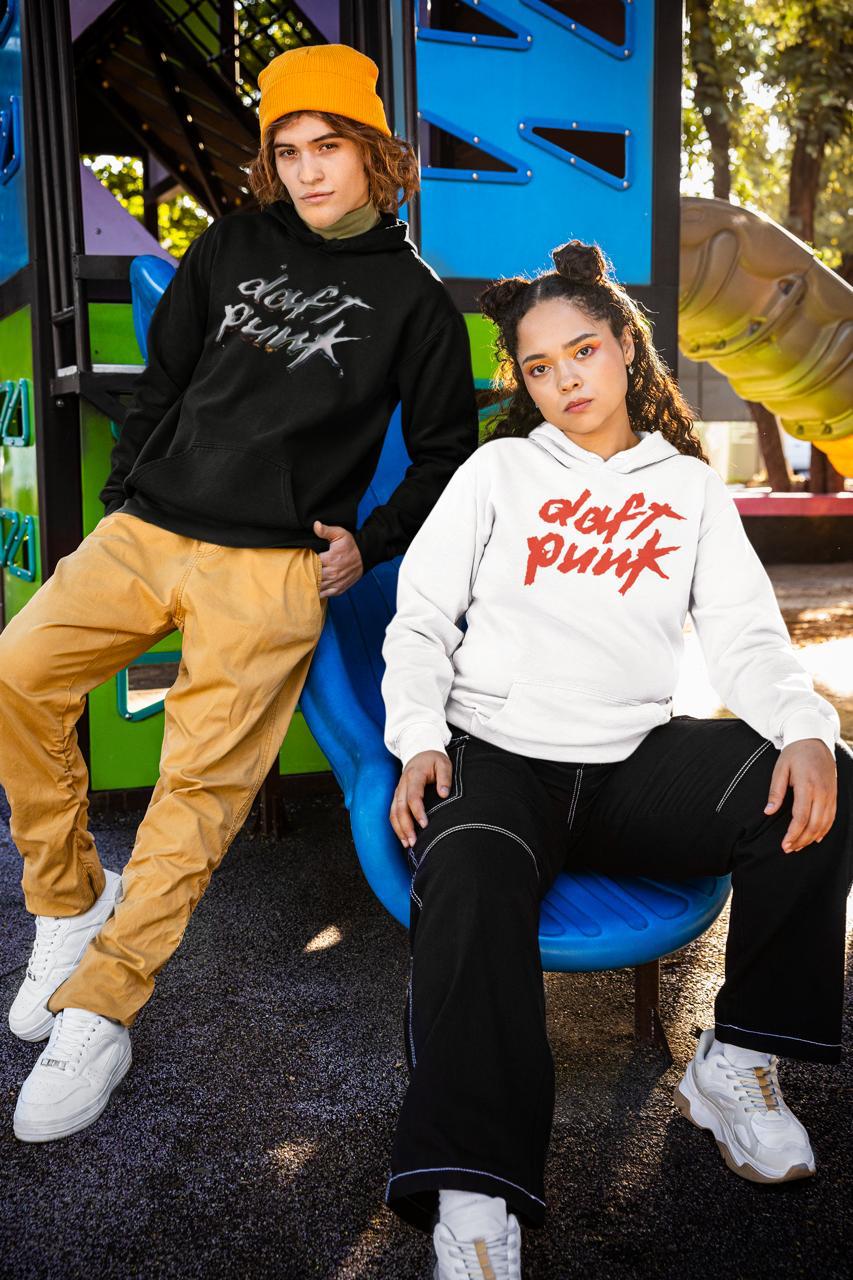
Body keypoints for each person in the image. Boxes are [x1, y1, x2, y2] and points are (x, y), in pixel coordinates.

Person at [0, 42, 478, 1143]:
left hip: (272, 569)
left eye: (329, 148)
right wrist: (122, 501)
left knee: (196, 793)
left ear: (375, 155)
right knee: (19, 674)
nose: (307, 171)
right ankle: (69, 900)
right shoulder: (231, 244)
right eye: (288, 150)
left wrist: (369, 541)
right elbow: (164, 383)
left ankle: (102, 1010)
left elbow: (446, 454)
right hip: (149, 530)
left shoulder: (414, 300)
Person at [380, 241, 852, 1280]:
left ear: (625, 345)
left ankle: (734, 1062)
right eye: (539, 366)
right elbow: (418, 621)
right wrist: (418, 738)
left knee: (823, 775)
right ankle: (475, 1188)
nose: (565, 380)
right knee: (467, 874)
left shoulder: (687, 489)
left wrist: (802, 726)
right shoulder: (497, 472)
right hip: (500, 758)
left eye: (582, 350)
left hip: (632, 762)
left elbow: (746, 638)